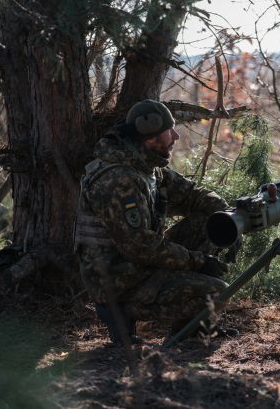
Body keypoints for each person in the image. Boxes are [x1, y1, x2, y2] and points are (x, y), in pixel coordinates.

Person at [74, 99, 232, 344]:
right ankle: (121, 315)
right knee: (216, 292)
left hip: (139, 267)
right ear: (150, 137)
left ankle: (190, 330)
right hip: (118, 282)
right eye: (170, 131)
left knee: (211, 221)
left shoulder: (146, 165)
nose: (176, 136)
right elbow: (140, 246)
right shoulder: (119, 179)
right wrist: (198, 261)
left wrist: (228, 218)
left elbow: (192, 196)